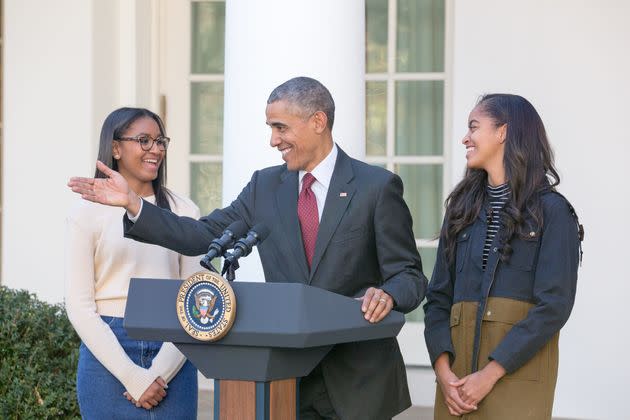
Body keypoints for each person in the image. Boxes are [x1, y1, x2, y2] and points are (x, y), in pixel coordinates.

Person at [68, 77, 428, 419]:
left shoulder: (376, 187)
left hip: (358, 381)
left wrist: (389, 295)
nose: (273, 140)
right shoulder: (265, 187)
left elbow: (409, 276)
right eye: (271, 128)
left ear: (318, 121)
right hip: (288, 379)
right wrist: (135, 204)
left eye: (280, 127)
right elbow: (200, 234)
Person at [423, 94, 583, 419]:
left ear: (502, 133)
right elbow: (438, 298)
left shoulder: (552, 212)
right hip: (457, 385)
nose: (465, 138)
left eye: (474, 127)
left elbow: (554, 306)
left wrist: (490, 373)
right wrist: (443, 372)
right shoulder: (460, 211)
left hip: (516, 380)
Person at [65, 108, 200, 418]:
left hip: (174, 347)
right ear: (115, 148)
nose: (155, 149)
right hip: (107, 354)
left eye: (160, 141)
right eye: (143, 140)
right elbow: (79, 306)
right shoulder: (86, 212)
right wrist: (133, 376)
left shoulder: (184, 210)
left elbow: (198, 301)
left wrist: (160, 373)